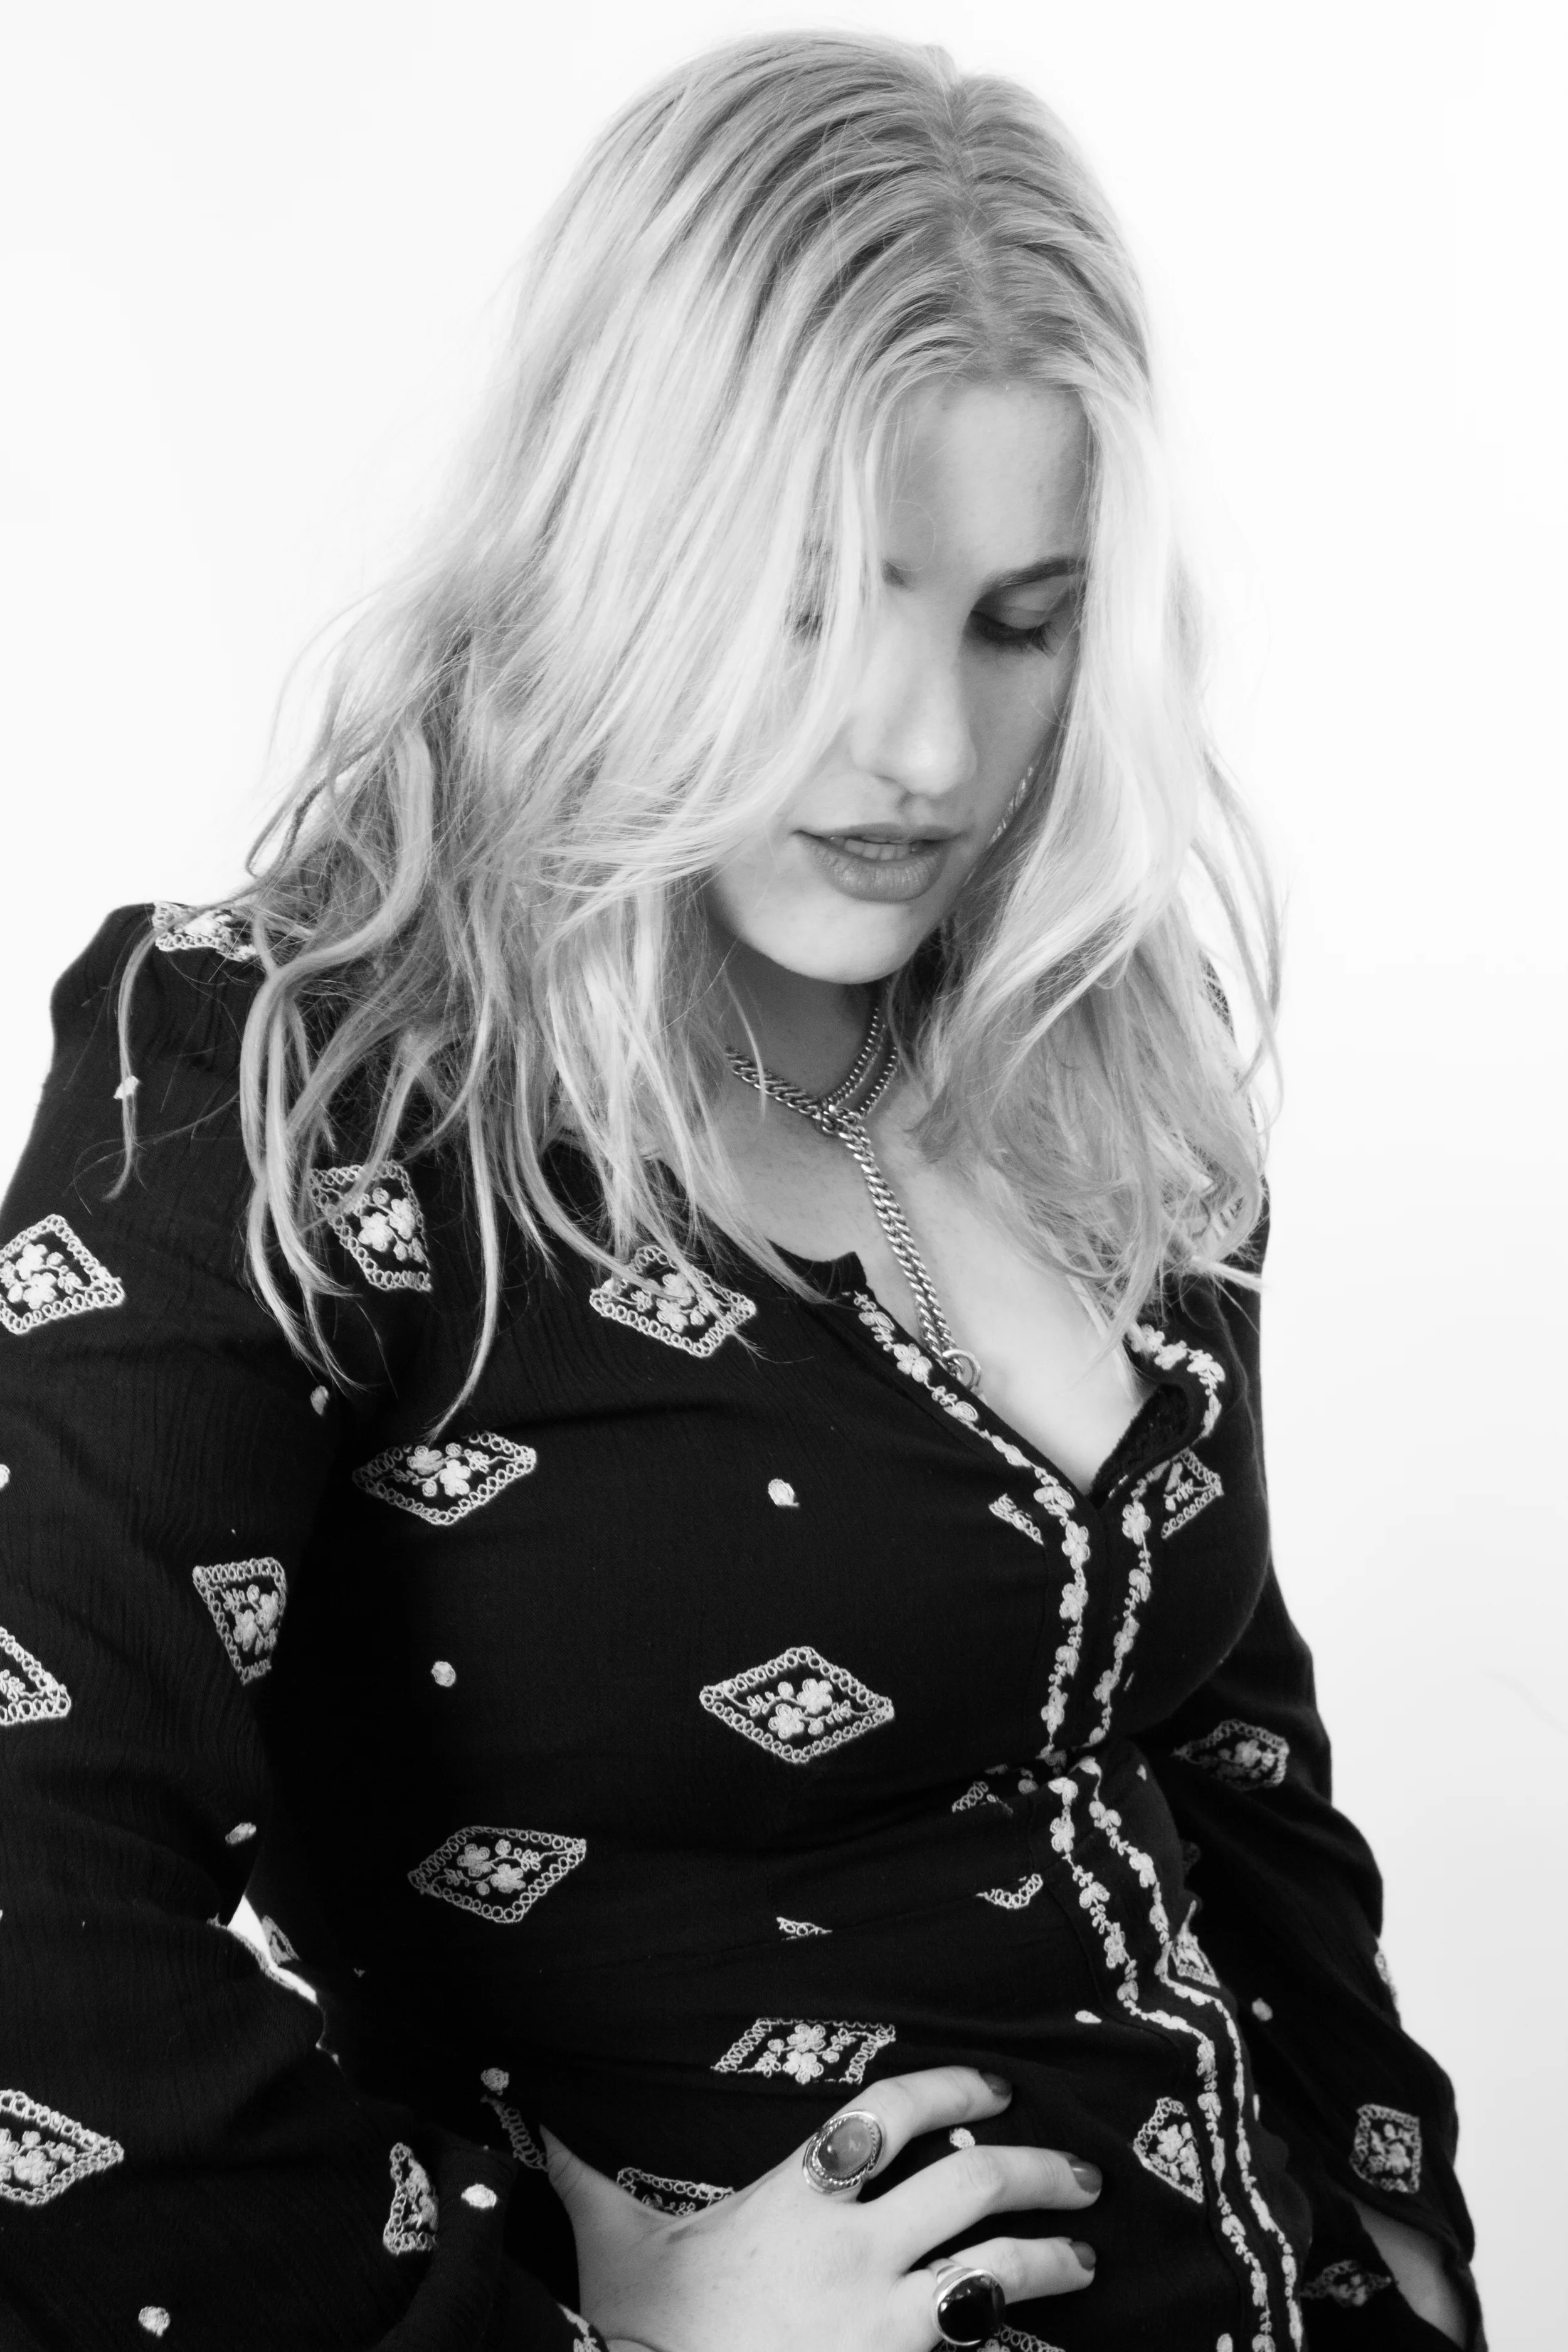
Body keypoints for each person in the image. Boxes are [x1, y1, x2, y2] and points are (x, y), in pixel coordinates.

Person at [0, 29, 1480, 2352]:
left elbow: (1229, 1733)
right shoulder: (281, 1079)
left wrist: (1407, 2232)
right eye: (810, 603)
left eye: (1019, 620)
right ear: (610, 547)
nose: (925, 749)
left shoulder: (1106, 1039)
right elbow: (38, 1898)